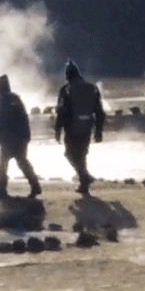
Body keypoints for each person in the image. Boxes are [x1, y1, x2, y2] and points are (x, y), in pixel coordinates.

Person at [0, 75, 42, 198]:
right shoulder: (15, 98)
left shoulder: (2, 99)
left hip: (10, 137)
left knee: (3, 164)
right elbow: (23, 118)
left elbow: (0, 118)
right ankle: (35, 185)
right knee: (22, 162)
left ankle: (1, 190)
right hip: (21, 136)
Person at [54, 62, 106, 195]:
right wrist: (99, 131)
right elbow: (99, 111)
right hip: (87, 127)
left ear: (67, 75)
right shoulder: (92, 88)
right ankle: (84, 183)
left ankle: (84, 177)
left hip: (71, 128)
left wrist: (57, 130)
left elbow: (61, 112)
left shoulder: (66, 89)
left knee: (70, 154)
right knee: (82, 156)